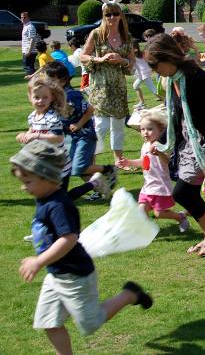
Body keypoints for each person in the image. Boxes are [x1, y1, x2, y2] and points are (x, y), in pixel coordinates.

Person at [12, 140, 152, 355]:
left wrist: (39, 261)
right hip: (56, 275)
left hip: (75, 276)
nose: (24, 187)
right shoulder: (45, 197)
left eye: (28, 181)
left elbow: (68, 239)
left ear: (47, 177)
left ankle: (129, 294)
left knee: (91, 323)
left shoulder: (58, 206)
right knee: (49, 322)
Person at [144, 33, 205, 257]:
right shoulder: (174, 80)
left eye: (155, 65)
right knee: (185, 193)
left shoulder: (197, 79)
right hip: (188, 145)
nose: (155, 70)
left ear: (168, 57)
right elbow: (176, 118)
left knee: (182, 192)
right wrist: (162, 142)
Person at [43, 62, 115, 202]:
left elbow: (90, 109)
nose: (48, 83)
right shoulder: (54, 96)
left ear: (63, 80)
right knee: (78, 169)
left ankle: (108, 169)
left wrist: (78, 124)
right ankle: (99, 190)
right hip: (73, 138)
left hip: (85, 135)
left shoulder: (72, 95)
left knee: (79, 167)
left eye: (51, 80)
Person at [80, 0, 135, 164]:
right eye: (108, 14)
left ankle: (119, 160)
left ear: (120, 16)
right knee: (100, 127)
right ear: (104, 16)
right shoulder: (96, 34)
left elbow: (132, 64)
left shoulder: (127, 37)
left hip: (118, 88)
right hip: (100, 88)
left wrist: (121, 60)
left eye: (115, 14)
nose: (111, 17)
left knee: (118, 127)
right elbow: (83, 56)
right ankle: (91, 160)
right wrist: (100, 59)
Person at [117, 109, 190, 233]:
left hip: (160, 186)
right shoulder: (145, 145)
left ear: (161, 130)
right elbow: (143, 161)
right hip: (148, 186)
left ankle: (180, 217)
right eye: (142, 129)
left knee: (159, 213)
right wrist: (128, 162)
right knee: (141, 210)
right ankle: (144, 232)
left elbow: (167, 161)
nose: (145, 132)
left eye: (150, 129)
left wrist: (159, 153)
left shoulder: (161, 145)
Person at [131, 40, 158, 110]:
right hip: (142, 74)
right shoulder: (139, 53)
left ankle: (166, 101)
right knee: (135, 86)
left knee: (153, 89)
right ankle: (141, 102)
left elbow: (147, 61)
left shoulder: (134, 54)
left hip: (144, 74)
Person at [21, 11, 40, 75]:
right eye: (21, 17)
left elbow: (33, 39)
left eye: (24, 17)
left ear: (29, 18)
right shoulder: (25, 26)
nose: (22, 19)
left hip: (30, 51)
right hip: (27, 50)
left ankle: (33, 81)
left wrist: (29, 51)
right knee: (29, 67)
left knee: (28, 67)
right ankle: (34, 82)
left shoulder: (30, 27)